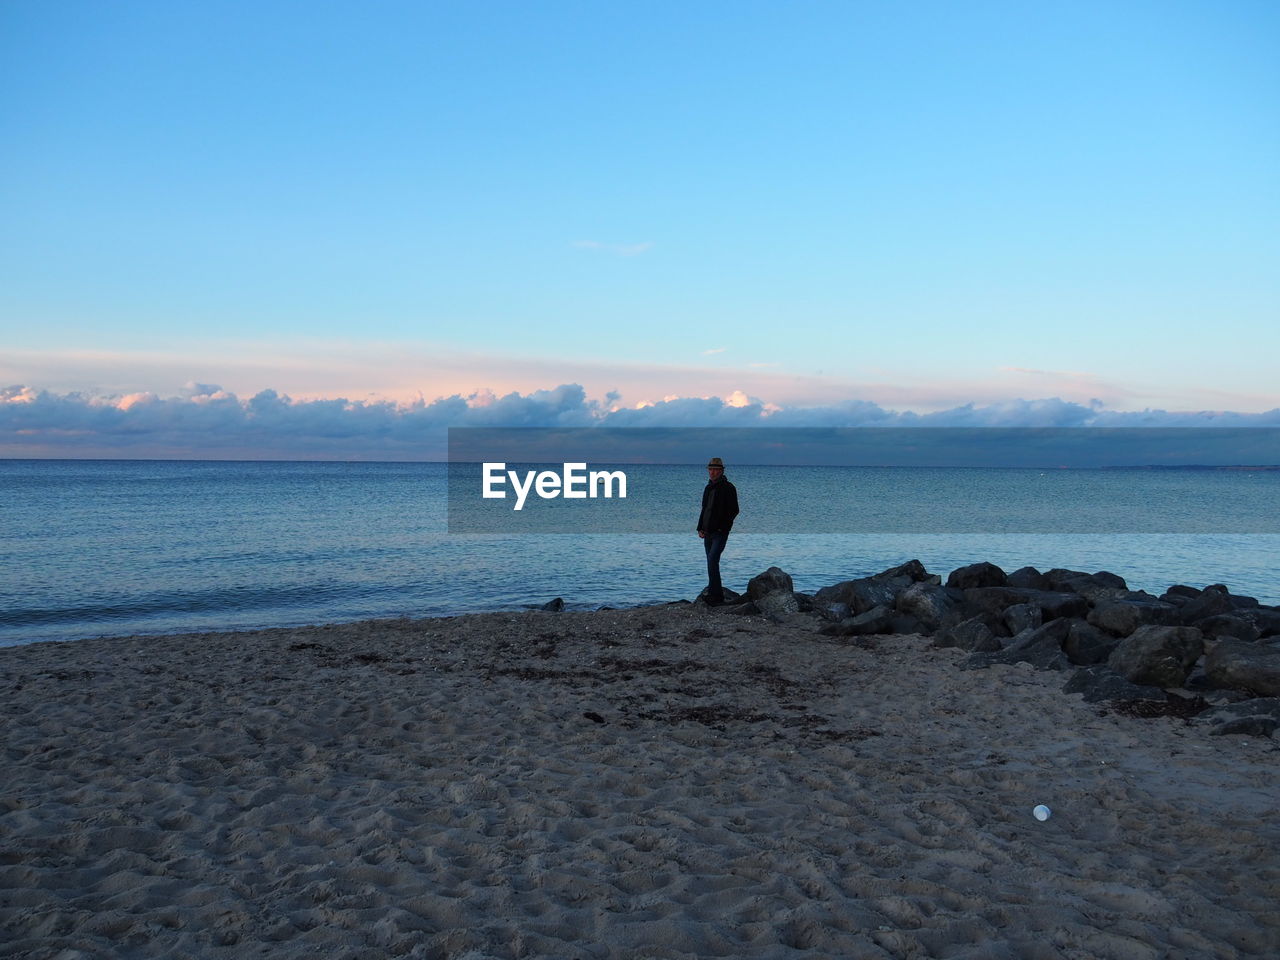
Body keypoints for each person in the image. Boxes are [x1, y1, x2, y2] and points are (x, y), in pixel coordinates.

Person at [696, 457, 739, 605]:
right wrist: (700, 528)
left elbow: (734, 510)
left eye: (715, 470)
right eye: (710, 470)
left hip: (720, 532)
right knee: (711, 561)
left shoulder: (728, 488)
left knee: (713, 560)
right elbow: (704, 510)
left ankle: (716, 595)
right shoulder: (708, 488)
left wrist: (723, 527)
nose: (712, 472)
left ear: (721, 471)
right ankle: (715, 592)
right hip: (707, 531)